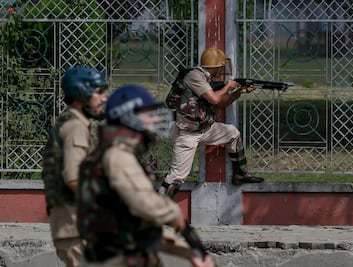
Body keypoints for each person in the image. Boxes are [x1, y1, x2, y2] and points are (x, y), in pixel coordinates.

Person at [76, 85, 215, 267]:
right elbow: (147, 206)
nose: (155, 120)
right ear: (127, 116)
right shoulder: (118, 157)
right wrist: (176, 218)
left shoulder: (109, 153)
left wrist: (188, 252)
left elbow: (138, 226)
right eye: (148, 114)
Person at [160, 47, 263, 198]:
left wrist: (238, 92)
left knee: (232, 133)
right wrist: (228, 86)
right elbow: (215, 99)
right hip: (187, 133)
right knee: (177, 177)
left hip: (204, 128)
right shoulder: (195, 75)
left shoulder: (204, 79)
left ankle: (240, 174)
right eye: (221, 66)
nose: (223, 69)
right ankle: (156, 210)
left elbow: (221, 103)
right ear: (215, 66)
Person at [41, 66, 108, 267]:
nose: (104, 98)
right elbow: (74, 179)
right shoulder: (75, 127)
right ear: (81, 95)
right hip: (75, 225)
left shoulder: (74, 122)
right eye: (99, 92)